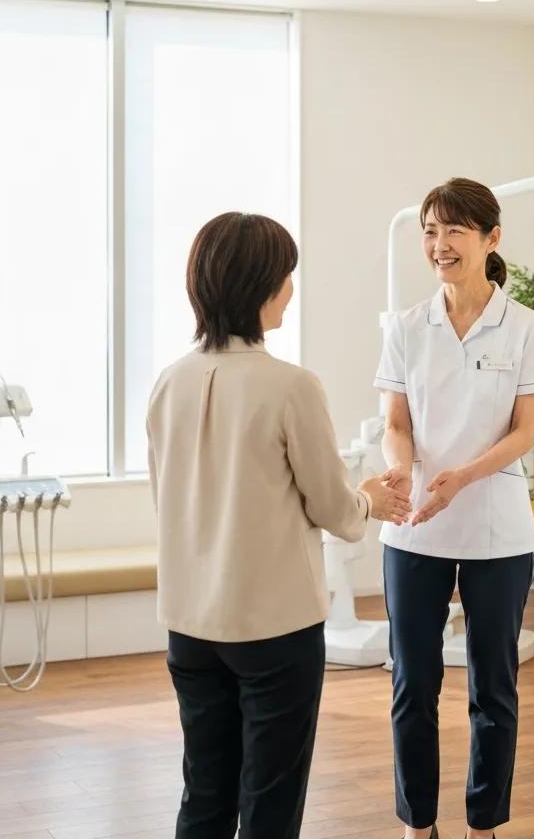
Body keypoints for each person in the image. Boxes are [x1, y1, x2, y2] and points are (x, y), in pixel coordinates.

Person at [147, 211, 409, 839]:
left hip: (188, 623)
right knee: (270, 802)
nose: (291, 288)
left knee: (204, 796)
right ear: (261, 285)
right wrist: (370, 497)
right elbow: (334, 509)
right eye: (287, 275)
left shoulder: (168, 383)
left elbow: (169, 500)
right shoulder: (290, 386)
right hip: (273, 628)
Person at [374, 178, 534, 839]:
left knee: (493, 691)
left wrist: (463, 477)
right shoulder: (405, 328)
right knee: (413, 686)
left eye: (454, 230)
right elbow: (396, 420)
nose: (439, 245)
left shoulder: (526, 328)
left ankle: (483, 826)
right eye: (430, 230)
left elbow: (524, 432)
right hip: (415, 530)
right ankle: (417, 825)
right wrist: (402, 468)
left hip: (497, 532)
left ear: (491, 239)